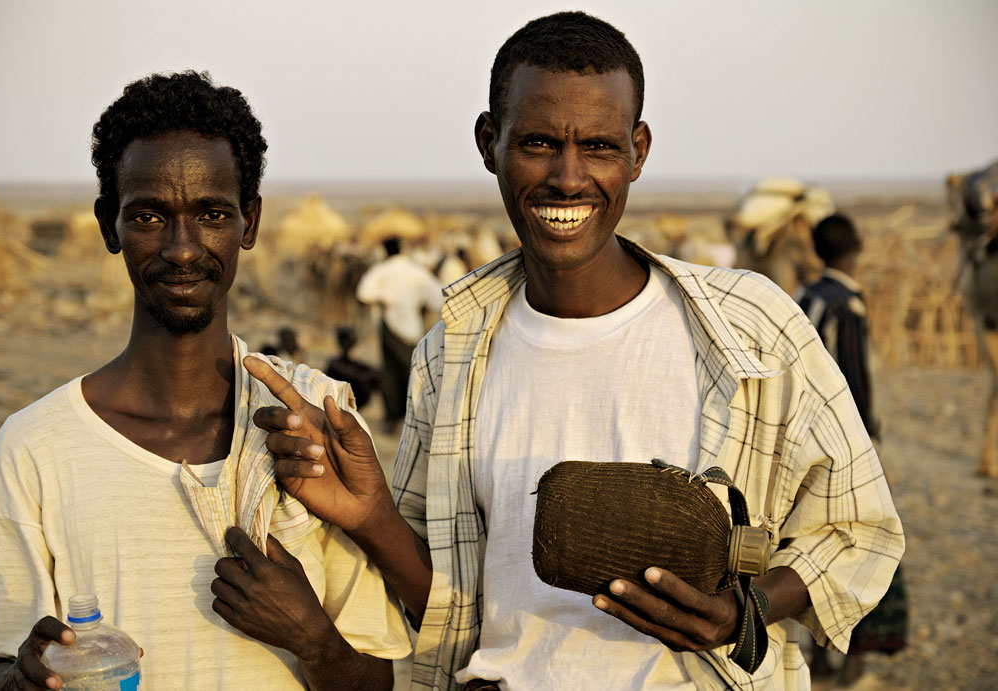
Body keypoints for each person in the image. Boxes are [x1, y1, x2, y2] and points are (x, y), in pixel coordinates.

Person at [249, 12, 903, 690]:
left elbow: (860, 528)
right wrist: (370, 514)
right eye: (537, 143)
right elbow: (450, 607)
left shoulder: (749, 328)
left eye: (598, 146)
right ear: (488, 142)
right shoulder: (449, 355)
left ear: (638, 150)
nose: (568, 178)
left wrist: (749, 609)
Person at [0, 71, 409, 691]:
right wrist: (25, 679)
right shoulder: (35, 446)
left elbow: (376, 679)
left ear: (248, 223)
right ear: (107, 225)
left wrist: (313, 641)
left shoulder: (314, 421)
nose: (182, 248)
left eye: (212, 214)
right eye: (148, 216)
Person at [798, 214, 908, 688]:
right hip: (845, 443)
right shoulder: (850, 305)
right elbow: (856, 381)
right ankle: (856, 657)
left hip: (801, 442)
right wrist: (867, 442)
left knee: (805, 542)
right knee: (860, 541)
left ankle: (817, 655)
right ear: (859, 245)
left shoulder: (804, 298)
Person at [355, 235, 444, 432]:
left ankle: (393, 418)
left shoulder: (381, 270)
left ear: (386, 251)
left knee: (390, 372)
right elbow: (438, 297)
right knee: (414, 370)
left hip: (389, 324)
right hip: (413, 326)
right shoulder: (417, 271)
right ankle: (417, 417)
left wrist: (384, 298)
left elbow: (363, 293)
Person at [325, 324, 381, 410]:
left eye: (350, 340)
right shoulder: (334, 365)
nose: (347, 343)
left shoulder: (354, 364)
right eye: (346, 340)